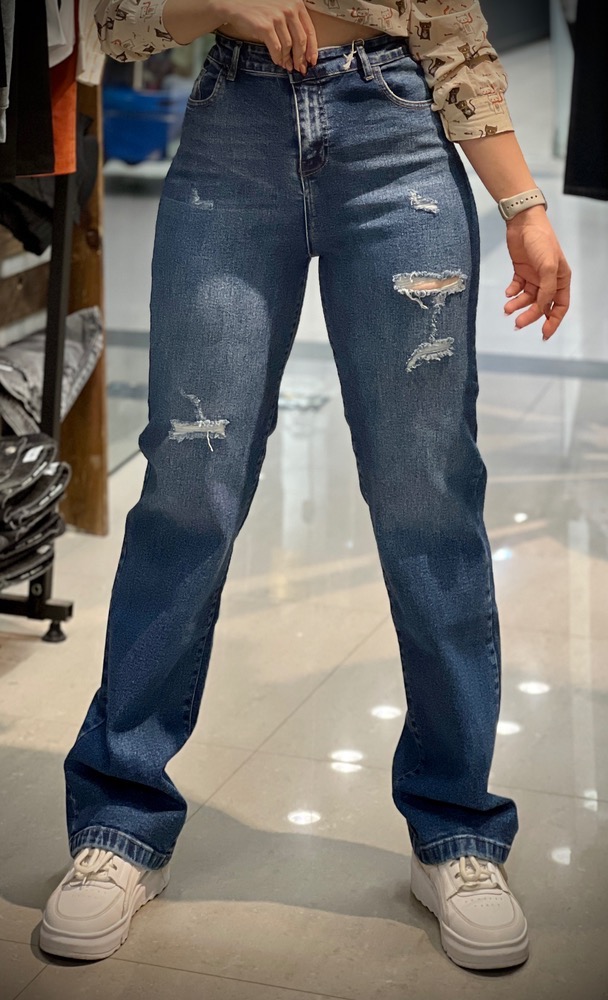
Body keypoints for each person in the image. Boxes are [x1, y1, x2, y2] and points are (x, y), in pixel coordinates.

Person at [40, 0, 571, 972]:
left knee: (427, 497)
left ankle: (456, 826)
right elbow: (116, 23)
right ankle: (121, 820)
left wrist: (523, 207)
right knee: (189, 487)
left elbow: (450, 27)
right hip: (232, 131)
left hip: (399, 134)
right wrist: (222, 3)